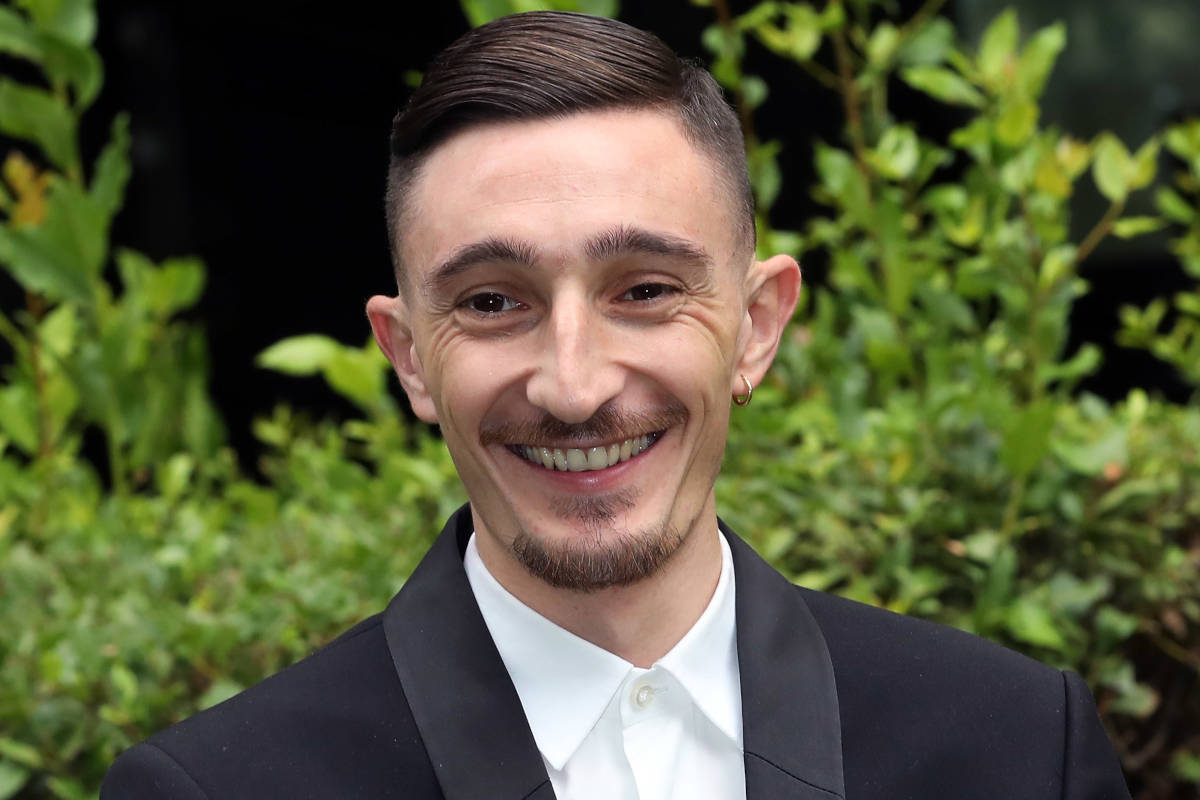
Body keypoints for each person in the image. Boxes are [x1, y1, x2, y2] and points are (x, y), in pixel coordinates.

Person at [102, 11, 1132, 800]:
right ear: (409, 358)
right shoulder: (216, 790)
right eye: (492, 302)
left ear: (758, 325)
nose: (575, 384)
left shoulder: (1016, 748)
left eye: (644, 290)